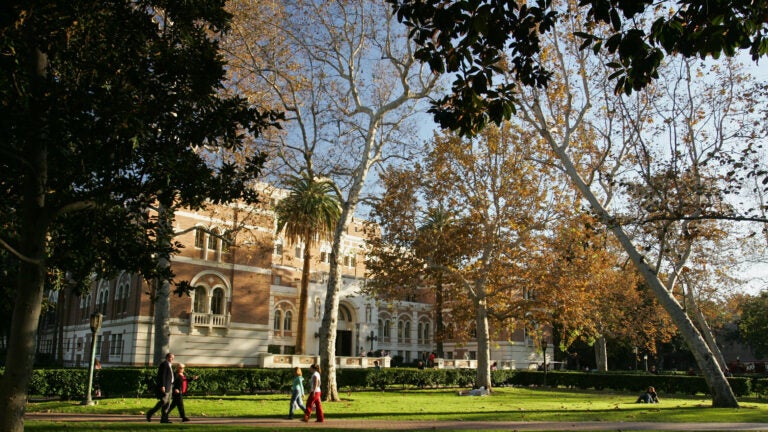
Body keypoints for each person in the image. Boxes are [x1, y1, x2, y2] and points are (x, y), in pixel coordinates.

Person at [147, 352, 175, 423]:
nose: (172, 359)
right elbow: (162, 376)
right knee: (163, 401)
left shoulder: (169, 365)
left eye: (173, 358)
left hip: (170, 385)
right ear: (167, 357)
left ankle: (164, 418)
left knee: (168, 403)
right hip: (165, 386)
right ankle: (150, 413)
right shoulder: (164, 364)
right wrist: (163, 386)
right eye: (171, 357)